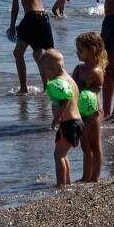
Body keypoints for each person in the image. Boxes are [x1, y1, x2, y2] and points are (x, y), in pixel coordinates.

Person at [9, 0, 54, 94]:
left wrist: (12, 26)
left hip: (32, 17)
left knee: (18, 53)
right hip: (44, 17)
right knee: (38, 53)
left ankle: (23, 88)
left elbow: (15, 7)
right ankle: (47, 87)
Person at [40, 49, 81, 187]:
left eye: (45, 72)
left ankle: (61, 184)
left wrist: (57, 117)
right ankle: (67, 182)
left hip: (68, 123)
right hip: (76, 122)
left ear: (51, 69)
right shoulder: (69, 79)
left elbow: (67, 98)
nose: (46, 76)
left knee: (58, 156)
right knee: (63, 154)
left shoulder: (59, 82)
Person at [72, 32, 106, 183]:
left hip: (93, 112)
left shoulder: (96, 71)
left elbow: (78, 88)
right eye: (77, 50)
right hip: (80, 111)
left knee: (95, 145)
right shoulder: (79, 68)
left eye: (81, 50)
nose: (77, 53)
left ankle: (95, 177)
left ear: (92, 50)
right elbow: (71, 85)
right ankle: (85, 176)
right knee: (85, 146)